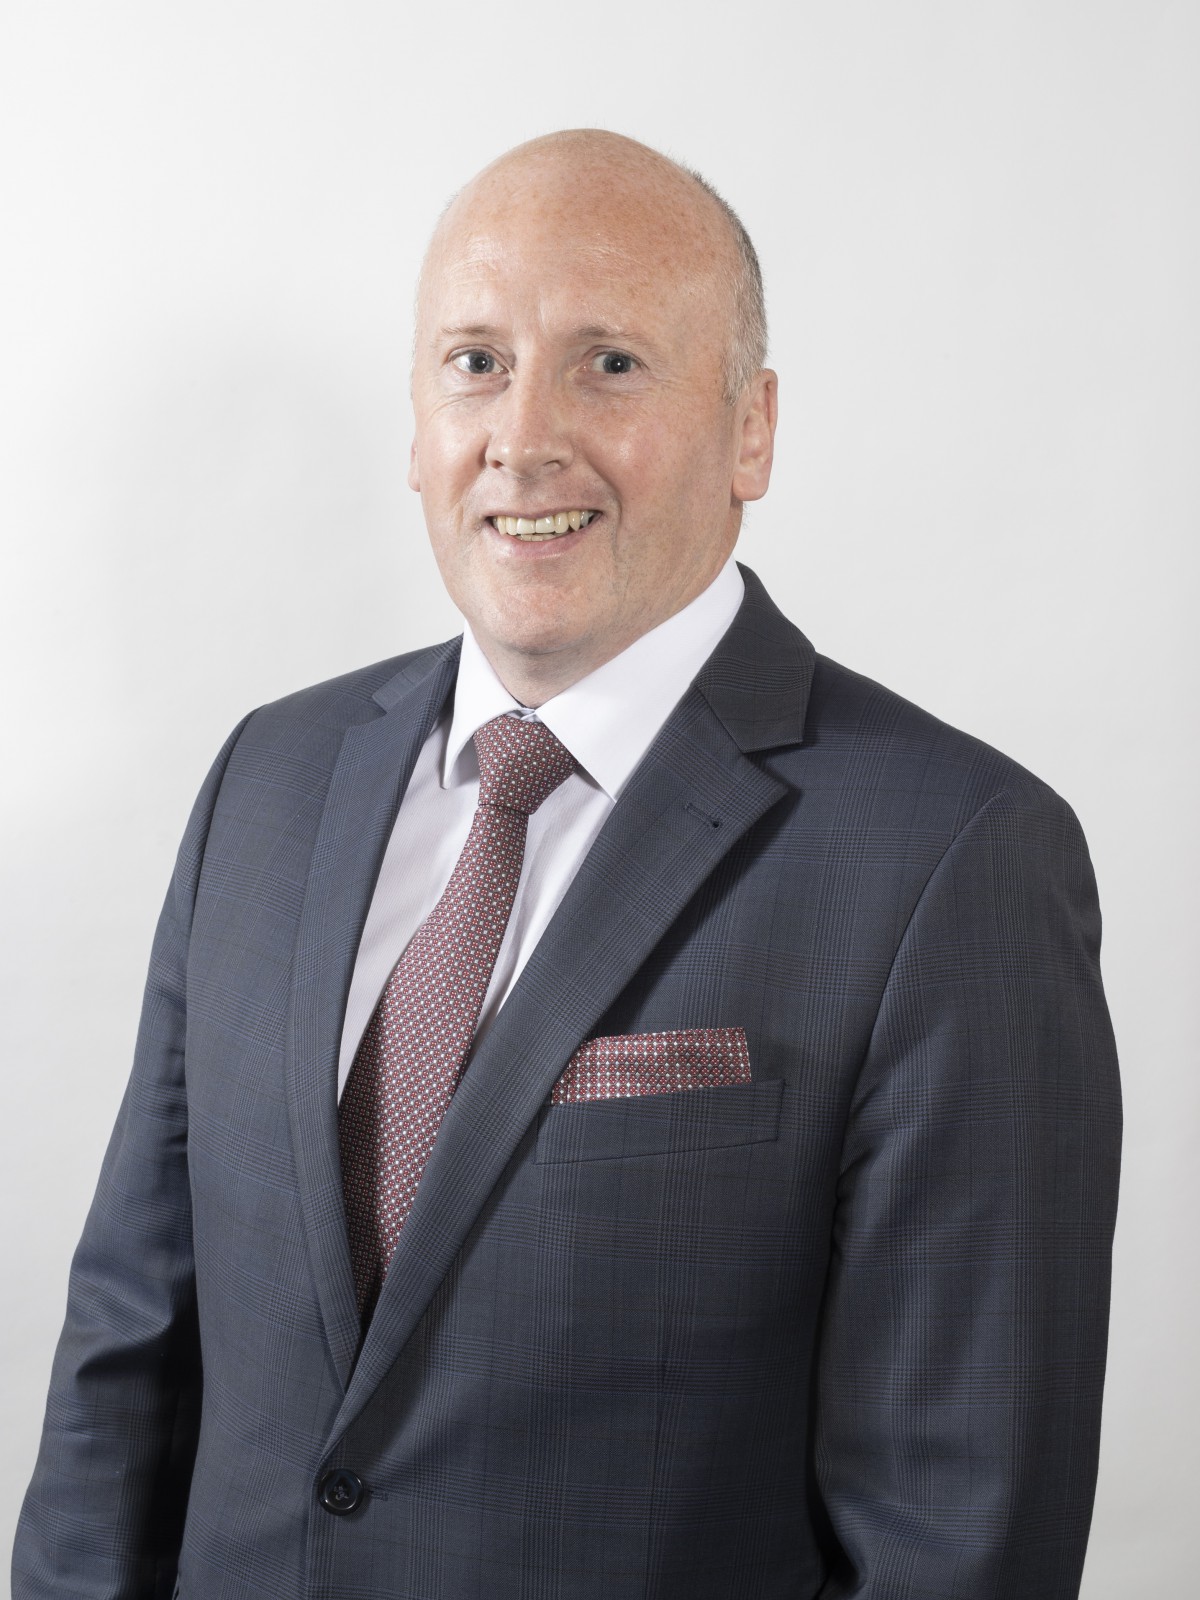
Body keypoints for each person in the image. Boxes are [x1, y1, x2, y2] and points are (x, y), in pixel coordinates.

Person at [13, 129, 1121, 1600]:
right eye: (475, 361)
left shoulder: (952, 862)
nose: (523, 436)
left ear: (751, 430)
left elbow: (956, 1539)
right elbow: (126, 1360)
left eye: (610, 363)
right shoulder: (265, 785)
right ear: (415, 423)